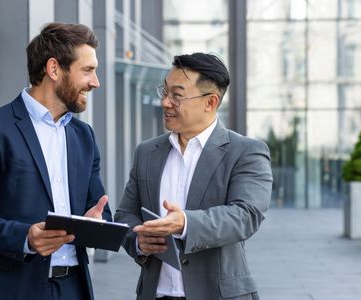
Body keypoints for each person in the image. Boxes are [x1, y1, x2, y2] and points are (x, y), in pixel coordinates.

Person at [0, 23, 111, 300]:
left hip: (73, 288)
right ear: (54, 69)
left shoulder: (84, 136)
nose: (95, 82)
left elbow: (99, 208)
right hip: (9, 289)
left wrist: (95, 224)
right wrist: (25, 237)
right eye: (87, 70)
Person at [114, 53, 273, 300]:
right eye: (164, 92)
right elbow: (125, 214)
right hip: (155, 294)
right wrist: (138, 242)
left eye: (177, 96)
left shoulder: (246, 151)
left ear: (210, 102)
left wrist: (185, 223)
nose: (165, 102)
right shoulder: (147, 152)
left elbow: (246, 214)